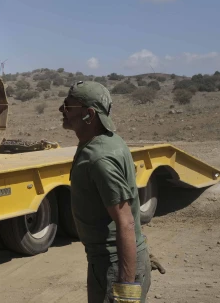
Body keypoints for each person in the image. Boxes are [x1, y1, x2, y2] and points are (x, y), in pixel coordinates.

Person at [60, 81, 151, 303]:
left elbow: (125, 221)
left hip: (114, 266)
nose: (61, 110)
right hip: (105, 261)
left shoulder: (99, 158)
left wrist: (126, 286)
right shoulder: (103, 142)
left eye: (68, 106)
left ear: (89, 115)